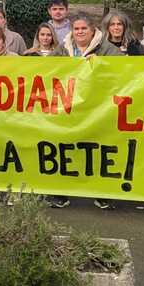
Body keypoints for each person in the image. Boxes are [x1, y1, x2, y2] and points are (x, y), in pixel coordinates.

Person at [51, 15, 110, 210]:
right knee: (64, 150)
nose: (80, 32)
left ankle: (102, 193)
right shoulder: (62, 48)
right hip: (68, 108)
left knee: (96, 151)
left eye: (84, 28)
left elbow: (124, 69)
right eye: (76, 29)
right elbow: (47, 68)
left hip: (97, 108)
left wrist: (101, 64)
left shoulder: (107, 48)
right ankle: (61, 193)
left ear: (92, 30)